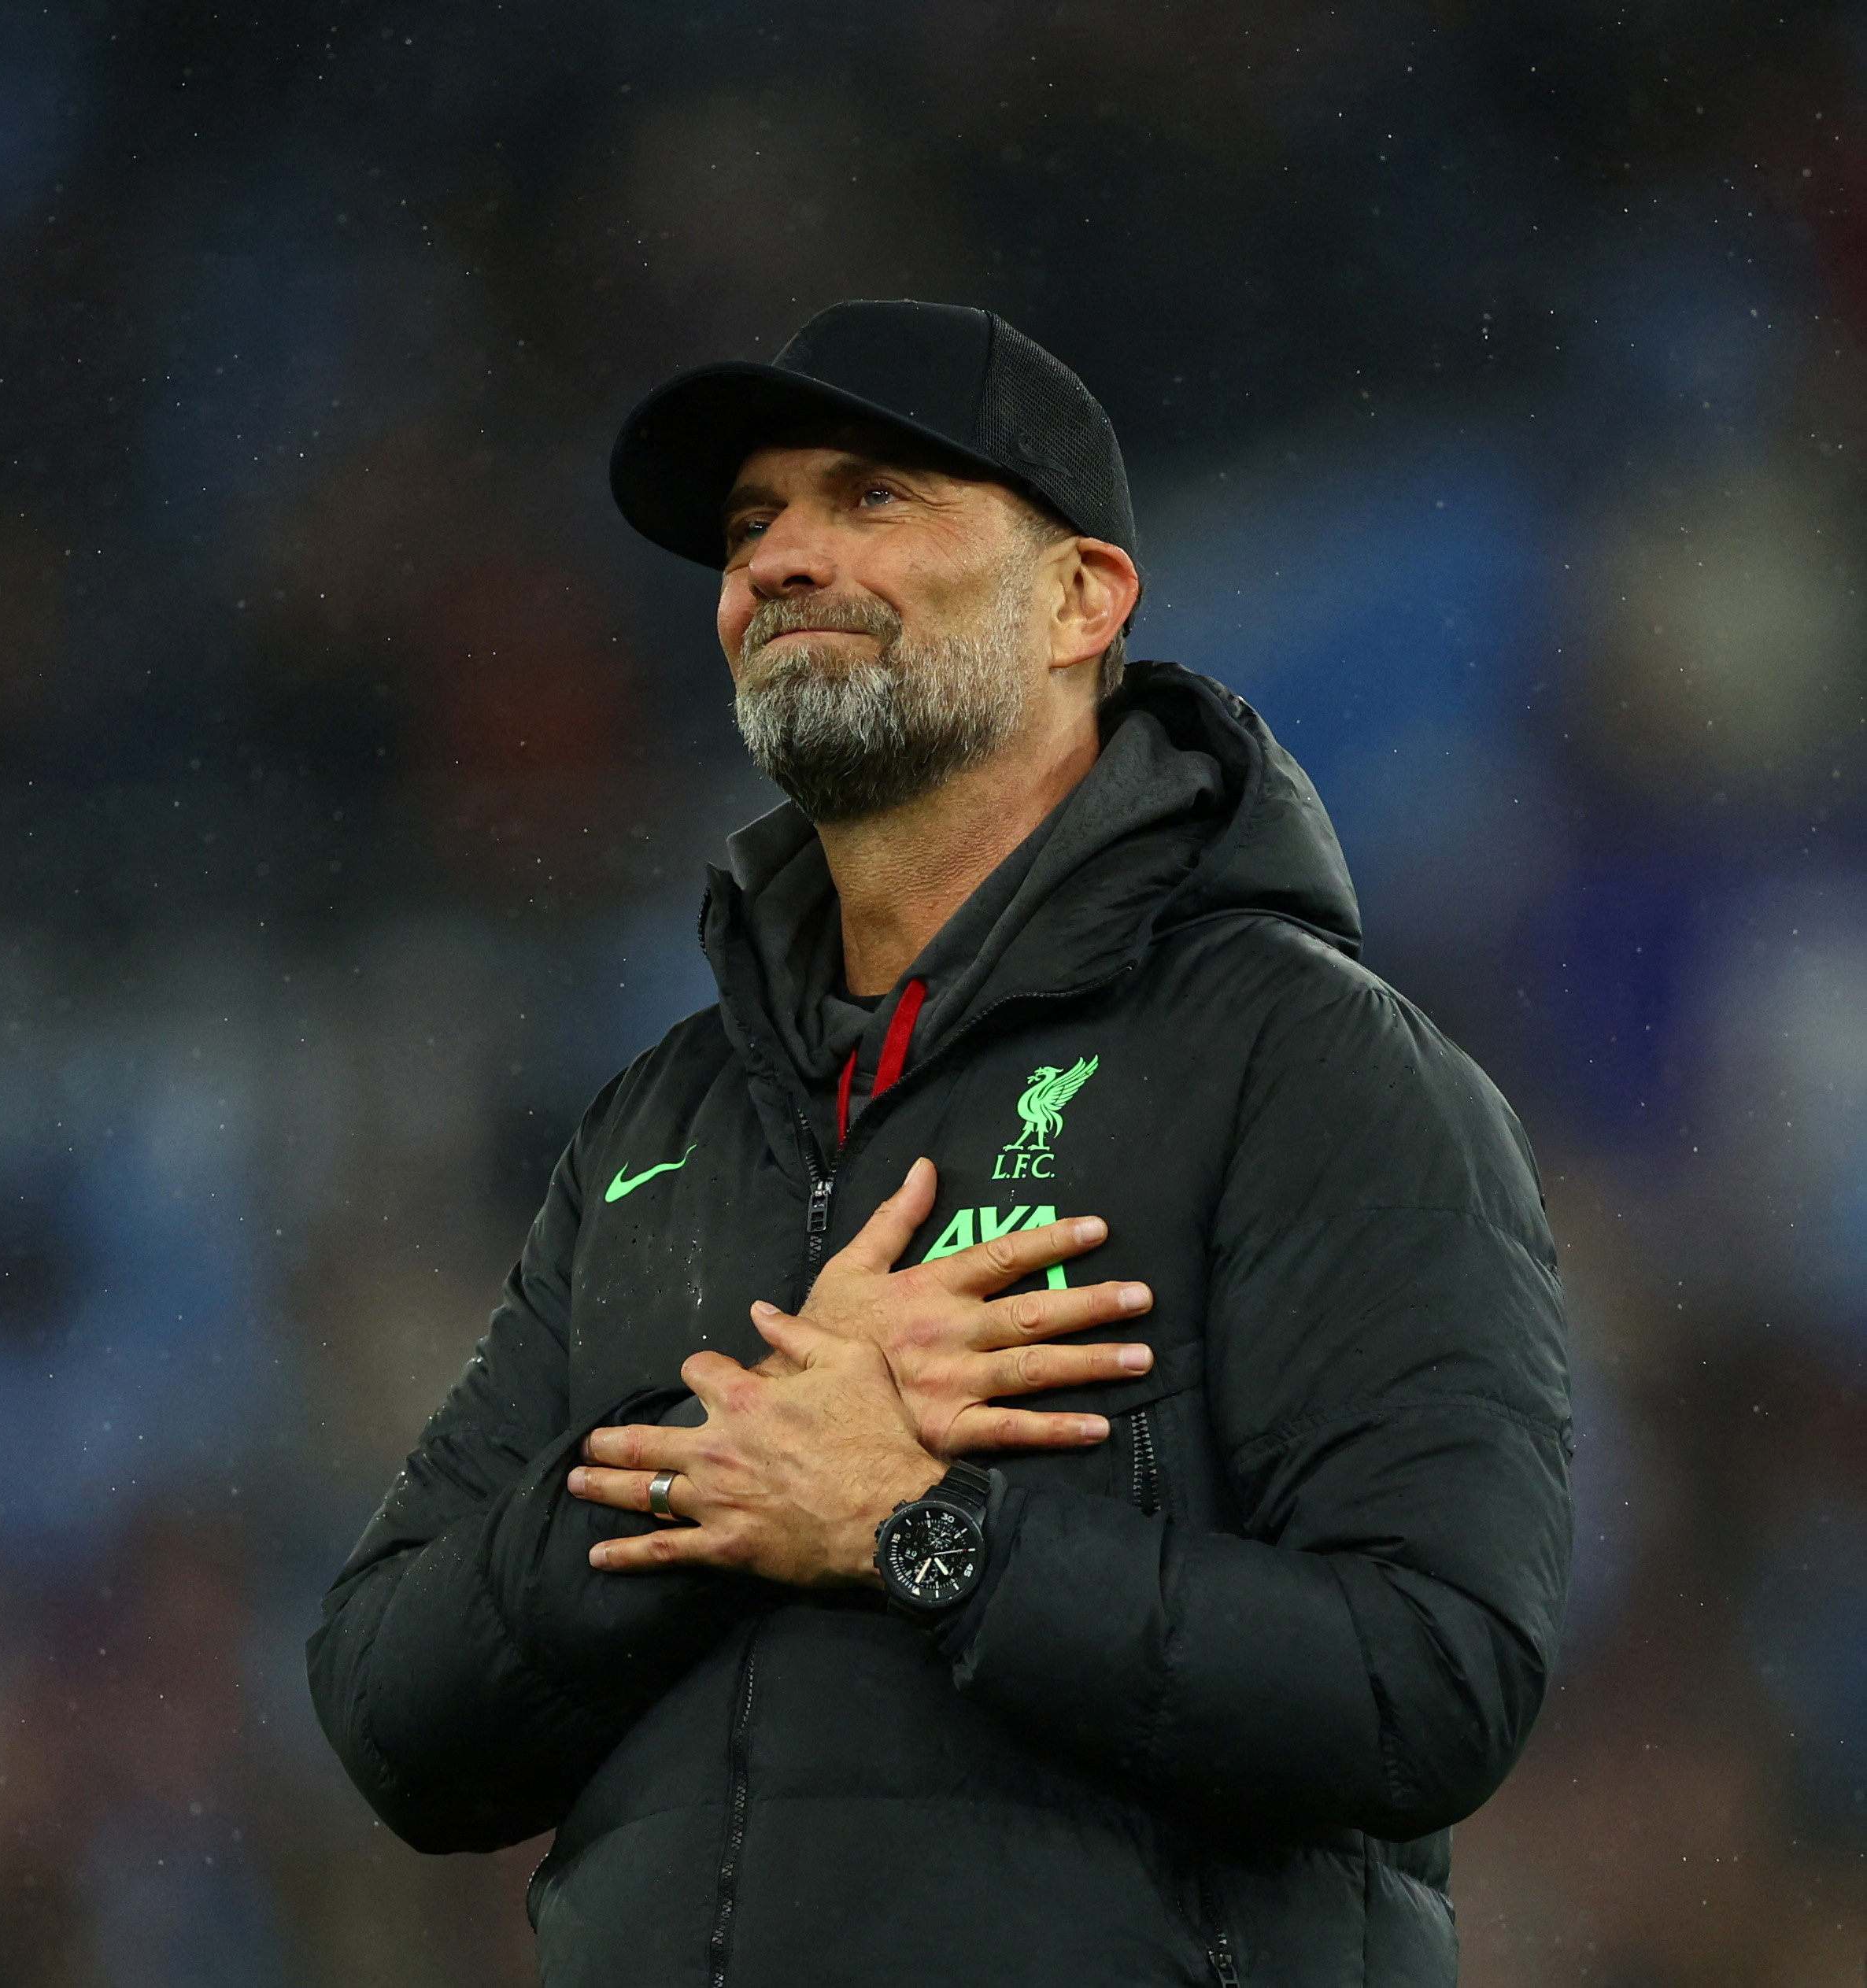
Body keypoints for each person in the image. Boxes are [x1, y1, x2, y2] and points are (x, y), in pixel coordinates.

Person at [304, 300, 1573, 1986]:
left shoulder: (1310, 1065)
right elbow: (388, 1712)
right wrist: (716, 1457)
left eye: (872, 498)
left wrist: (920, 1525)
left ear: (1081, 599)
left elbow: (1436, 1683)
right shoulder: (654, 1126)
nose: (777, 559)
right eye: (751, 525)